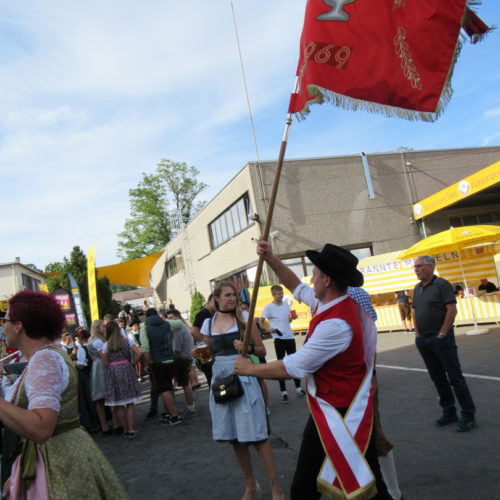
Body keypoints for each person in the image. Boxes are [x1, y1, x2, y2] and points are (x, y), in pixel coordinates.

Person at [235, 239, 390, 500]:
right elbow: (295, 285)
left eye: (315, 273)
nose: (311, 277)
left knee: (355, 484)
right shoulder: (329, 303)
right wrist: (271, 258)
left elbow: (293, 367)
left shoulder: (337, 324)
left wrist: (249, 369)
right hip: (330, 409)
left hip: (342, 413)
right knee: (355, 480)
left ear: (327, 280)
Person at [0, 290, 128, 499]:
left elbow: (41, 427)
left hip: (59, 463)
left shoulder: (44, 359)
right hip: (61, 453)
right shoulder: (51, 353)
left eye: (5, 320)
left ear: (19, 325)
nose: (3, 327)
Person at [201, 281, 284, 500]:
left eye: (234, 295)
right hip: (221, 379)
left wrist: (246, 348)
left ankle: (276, 488)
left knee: (258, 436)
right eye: (227, 295)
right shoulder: (208, 324)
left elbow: (261, 349)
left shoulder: (245, 320)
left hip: (244, 377)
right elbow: (209, 355)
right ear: (216, 298)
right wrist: (199, 355)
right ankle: (251, 485)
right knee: (235, 437)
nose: (232, 299)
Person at [412, 255, 476, 432]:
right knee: (438, 379)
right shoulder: (417, 289)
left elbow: (451, 309)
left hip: (441, 340)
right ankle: (449, 412)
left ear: (430, 267)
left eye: (419, 266)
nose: (416, 269)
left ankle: (468, 415)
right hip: (424, 341)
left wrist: (443, 333)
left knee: (455, 378)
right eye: (415, 267)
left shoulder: (442, 285)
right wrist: (417, 335)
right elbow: (415, 311)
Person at [259, 285, 304, 403]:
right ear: (273, 295)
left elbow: (287, 319)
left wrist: (292, 318)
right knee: (281, 364)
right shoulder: (269, 307)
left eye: (282, 293)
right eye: (279, 294)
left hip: (290, 337)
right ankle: (283, 392)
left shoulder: (285, 305)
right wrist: (269, 330)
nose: (281, 295)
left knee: (293, 363)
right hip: (279, 339)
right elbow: (260, 322)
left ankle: (299, 389)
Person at [140, 308, 183, 426]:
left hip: (157, 362)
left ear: (146, 317)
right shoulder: (167, 324)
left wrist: (146, 364)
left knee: (163, 390)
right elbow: (179, 323)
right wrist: (164, 319)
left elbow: (145, 348)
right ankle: (168, 412)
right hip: (170, 359)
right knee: (169, 387)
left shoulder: (144, 329)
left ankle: (174, 416)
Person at [102, 321, 142, 439]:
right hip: (126, 368)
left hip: (114, 371)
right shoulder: (126, 340)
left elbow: (106, 362)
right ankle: (131, 429)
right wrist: (132, 363)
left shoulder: (106, 345)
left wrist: (113, 365)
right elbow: (139, 354)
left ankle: (124, 430)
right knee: (130, 403)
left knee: (119, 403)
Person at [166, 309, 196, 417]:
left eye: (171, 318)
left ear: (177, 317)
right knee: (186, 383)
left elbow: (177, 349)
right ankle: (191, 405)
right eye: (168, 318)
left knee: (185, 384)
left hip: (182, 358)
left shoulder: (178, 329)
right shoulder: (183, 326)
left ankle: (191, 407)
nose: (170, 321)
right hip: (186, 357)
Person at [88, 319, 113, 435]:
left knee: (102, 399)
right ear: (97, 329)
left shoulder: (95, 340)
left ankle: (106, 425)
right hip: (101, 368)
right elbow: (104, 356)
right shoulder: (97, 341)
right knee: (104, 397)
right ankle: (106, 425)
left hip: (97, 367)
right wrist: (111, 367)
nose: (104, 328)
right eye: (103, 326)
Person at [191, 294, 216, 387]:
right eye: (215, 302)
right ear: (208, 302)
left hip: (209, 356)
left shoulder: (213, 314)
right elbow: (194, 332)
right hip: (207, 357)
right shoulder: (203, 314)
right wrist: (206, 346)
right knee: (213, 384)